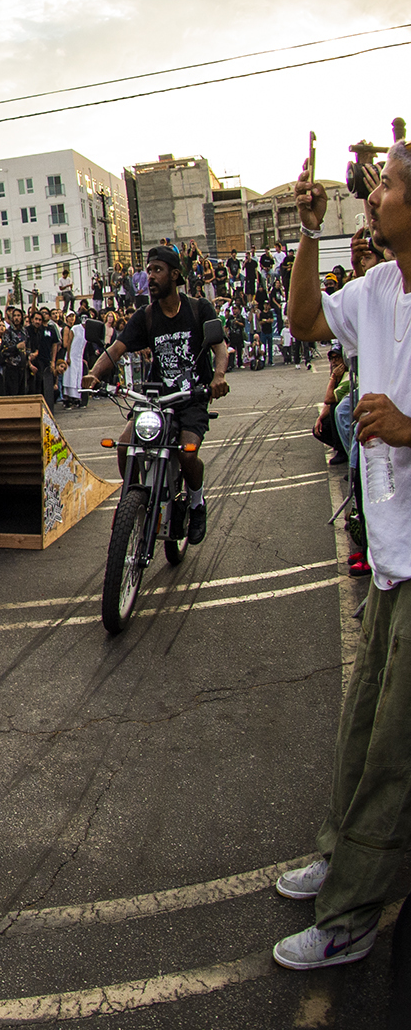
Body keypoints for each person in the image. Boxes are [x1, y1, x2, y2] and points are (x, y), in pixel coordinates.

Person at [267, 141, 411, 969]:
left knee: (394, 752)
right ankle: (340, 849)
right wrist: (307, 232)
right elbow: (303, 321)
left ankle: (354, 910)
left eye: (388, 184)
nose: (374, 194)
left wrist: (408, 425)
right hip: (390, 558)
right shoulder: (381, 288)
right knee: (363, 729)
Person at [82, 246, 227, 544]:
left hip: (191, 398)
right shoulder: (145, 316)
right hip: (156, 399)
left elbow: (220, 347)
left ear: (175, 274)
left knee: (188, 455)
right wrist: (95, 373)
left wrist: (219, 377)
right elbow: (116, 349)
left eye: (157, 270)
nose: (150, 276)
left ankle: (197, 503)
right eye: (148, 271)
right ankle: (133, 502)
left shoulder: (199, 308)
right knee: (125, 445)